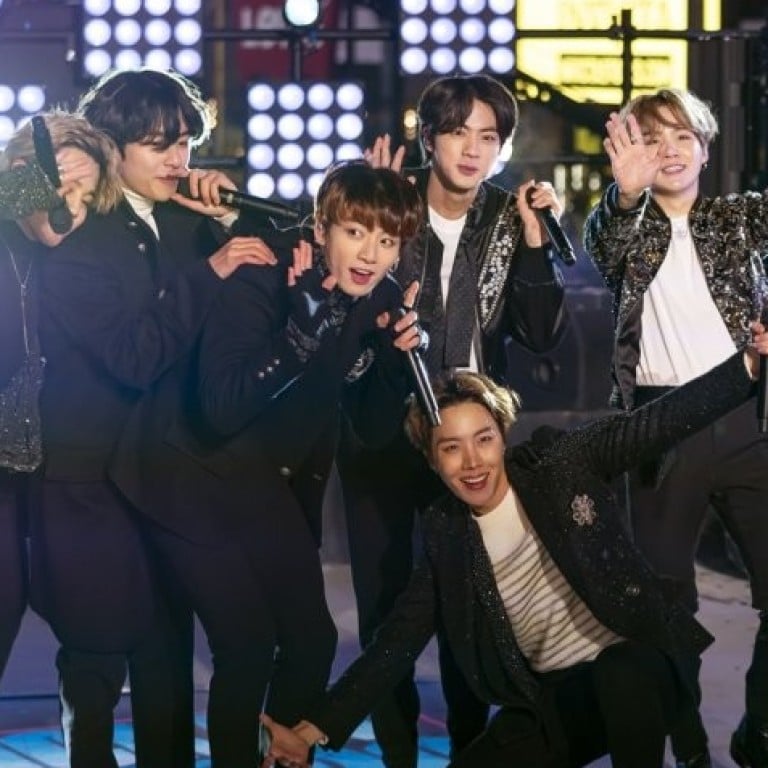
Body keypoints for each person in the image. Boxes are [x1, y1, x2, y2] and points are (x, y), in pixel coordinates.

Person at [259, 325, 768, 768]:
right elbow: (393, 646)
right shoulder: (446, 536)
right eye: (451, 448)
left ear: (502, 435)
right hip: (558, 701)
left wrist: (748, 364)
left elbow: (655, 423)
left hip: (642, 671)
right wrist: (312, 729)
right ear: (433, 462)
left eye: (483, 439)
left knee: (621, 671)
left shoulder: (560, 466)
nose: (472, 462)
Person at [107, 159, 425, 767]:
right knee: (249, 645)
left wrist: (390, 362)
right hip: (187, 472)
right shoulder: (263, 275)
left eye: (387, 241)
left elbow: (374, 427)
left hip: (258, 480)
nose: (369, 254)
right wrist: (300, 335)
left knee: (313, 639)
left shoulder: (377, 297)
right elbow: (221, 408)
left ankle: (277, 757)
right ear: (323, 227)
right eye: (355, 233)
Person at [34, 68, 277, 768]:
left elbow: (251, 306)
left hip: (169, 472)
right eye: (159, 145)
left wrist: (227, 225)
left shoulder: (181, 223)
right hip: (86, 481)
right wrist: (212, 267)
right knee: (97, 656)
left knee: (168, 649)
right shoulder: (75, 236)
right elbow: (133, 357)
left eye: (186, 143)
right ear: (113, 149)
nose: (180, 160)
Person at [337, 73, 567, 766]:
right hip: (382, 428)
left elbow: (542, 332)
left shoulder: (506, 213)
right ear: (429, 135)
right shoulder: (391, 200)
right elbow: (339, 295)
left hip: (468, 438)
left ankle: (470, 753)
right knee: (384, 610)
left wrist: (532, 243)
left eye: (489, 136)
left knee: (471, 603)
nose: (473, 149)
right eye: (459, 131)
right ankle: (399, 755)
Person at [584, 87, 768, 768]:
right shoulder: (623, 224)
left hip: (749, 420)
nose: (668, 150)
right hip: (661, 424)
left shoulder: (745, 218)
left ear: (705, 147)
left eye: (682, 136)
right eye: (652, 138)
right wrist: (625, 196)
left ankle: (760, 735)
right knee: (665, 605)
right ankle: (684, 741)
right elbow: (606, 246)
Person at [0, 110, 121, 683]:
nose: (73, 207)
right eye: (64, 186)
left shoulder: (69, 255)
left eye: (86, 193)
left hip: (34, 471)